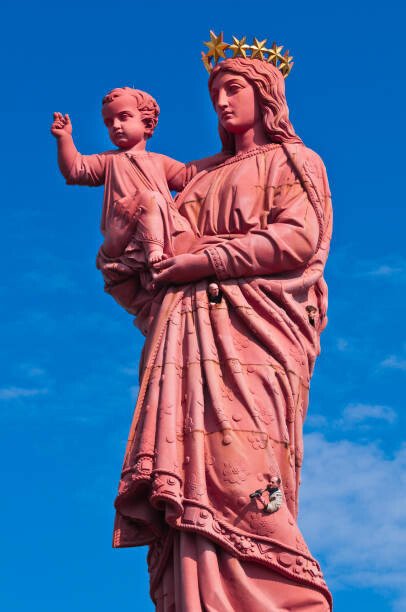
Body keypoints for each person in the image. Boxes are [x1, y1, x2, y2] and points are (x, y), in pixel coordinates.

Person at [97, 55, 333, 610]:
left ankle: (284, 597)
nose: (223, 103)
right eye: (215, 95)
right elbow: (142, 228)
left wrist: (201, 260)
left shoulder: (294, 161)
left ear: (265, 94)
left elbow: (297, 241)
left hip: (258, 335)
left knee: (245, 470)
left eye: (234, 89)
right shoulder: (198, 176)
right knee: (188, 473)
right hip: (184, 336)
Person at [51, 87, 223, 271]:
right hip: (128, 227)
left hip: (166, 226)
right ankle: (153, 250)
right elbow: (75, 169)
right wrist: (64, 139)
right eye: (109, 123)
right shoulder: (109, 160)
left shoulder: (158, 161)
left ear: (147, 123)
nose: (115, 125)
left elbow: (187, 175)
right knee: (150, 198)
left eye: (123, 117)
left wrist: (224, 156)